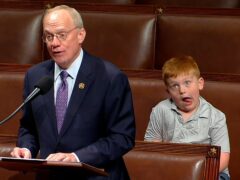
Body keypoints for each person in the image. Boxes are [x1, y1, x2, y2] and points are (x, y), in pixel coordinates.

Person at [11, 5, 135, 180]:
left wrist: (76, 158)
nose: (54, 43)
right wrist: (26, 148)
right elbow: (29, 127)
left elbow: (122, 137)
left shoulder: (109, 77)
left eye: (62, 35)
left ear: (80, 35)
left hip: (96, 176)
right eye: (49, 36)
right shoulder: (35, 76)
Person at [144, 56, 230, 179]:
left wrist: (194, 174)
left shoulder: (217, 117)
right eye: (175, 86)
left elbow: (223, 159)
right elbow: (151, 147)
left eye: (187, 83)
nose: (182, 90)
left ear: (200, 84)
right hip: (171, 169)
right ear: (168, 91)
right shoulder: (160, 110)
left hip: (210, 172)